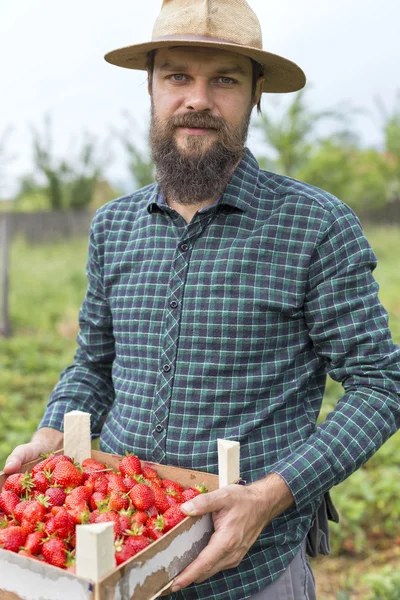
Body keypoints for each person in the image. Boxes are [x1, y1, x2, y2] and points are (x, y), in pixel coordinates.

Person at [4, 0, 400, 598]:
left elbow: (380, 384)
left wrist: (271, 496)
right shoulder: (113, 226)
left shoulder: (316, 226)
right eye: (178, 76)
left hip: (254, 572)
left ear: (256, 94)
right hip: (116, 561)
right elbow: (93, 365)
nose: (198, 99)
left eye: (225, 79)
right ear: (151, 87)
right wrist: (51, 433)